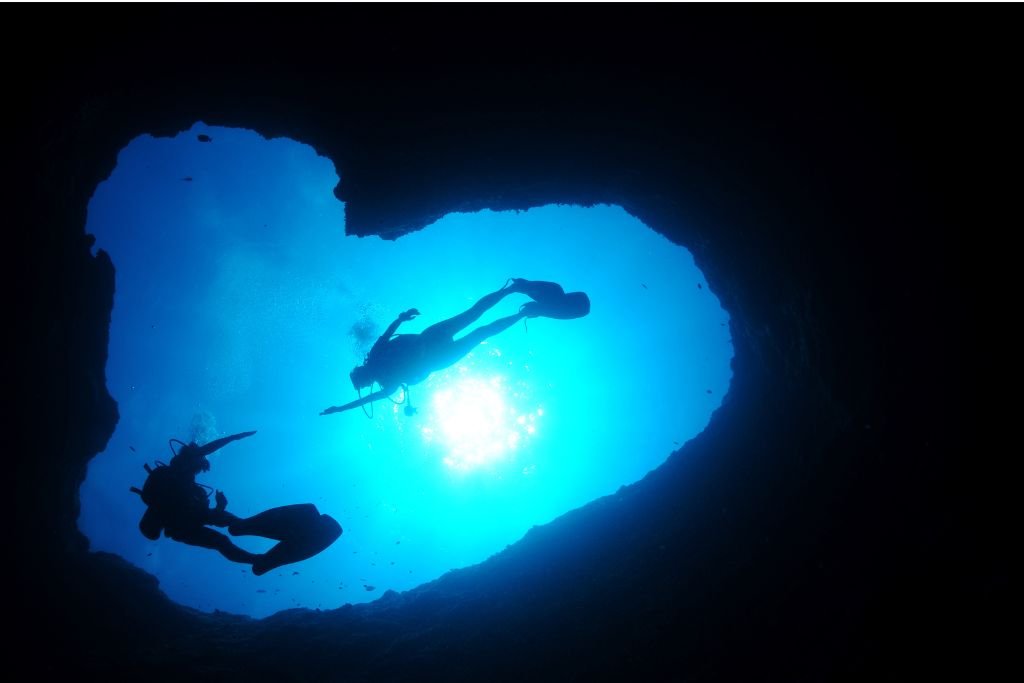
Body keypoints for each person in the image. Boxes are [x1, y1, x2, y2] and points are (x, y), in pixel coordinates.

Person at [321, 278, 590, 416]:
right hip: (436, 354)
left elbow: (385, 336)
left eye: (359, 374)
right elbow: (369, 400)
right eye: (360, 376)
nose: (363, 372)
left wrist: (401, 318)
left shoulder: (382, 369)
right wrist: (339, 409)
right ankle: (521, 307)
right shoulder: (388, 382)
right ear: (364, 378)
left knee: (475, 321)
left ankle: (515, 296)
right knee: (478, 327)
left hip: (433, 346)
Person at [133, 430, 342, 576]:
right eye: (196, 466)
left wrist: (221, 506)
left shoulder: (195, 490)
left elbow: (209, 516)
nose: (196, 472)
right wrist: (233, 438)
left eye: (197, 469)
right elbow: (198, 454)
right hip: (181, 527)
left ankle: (264, 554)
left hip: (191, 521)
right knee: (222, 541)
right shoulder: (168, 475)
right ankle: (260, 561)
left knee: (235, 526)